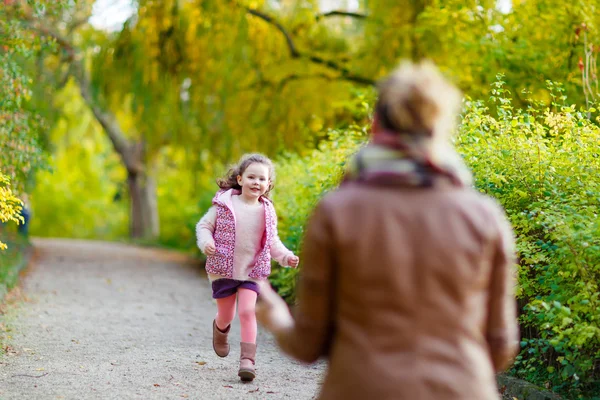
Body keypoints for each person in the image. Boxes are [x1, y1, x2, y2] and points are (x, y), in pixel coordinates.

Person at [256, 61, 519, 399]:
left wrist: (277, 317)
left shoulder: (338, 211)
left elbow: (308, 344)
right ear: (441, 125)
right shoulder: (486, 217)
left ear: (375, 123)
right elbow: (500, 348)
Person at [196, 153, 299, 382]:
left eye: (262, 179)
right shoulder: (223, 204)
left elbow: (272, 242)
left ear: (268, 184)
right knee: (227, 314)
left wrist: (286, 257)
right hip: (223, 269)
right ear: (240, 179)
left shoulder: (267, 211)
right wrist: (207, 242)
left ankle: (247, 362)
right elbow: (204, 226)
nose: (256, 182)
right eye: (251, 177)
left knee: (247, 311)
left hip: (252, 272)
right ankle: (220, 328)